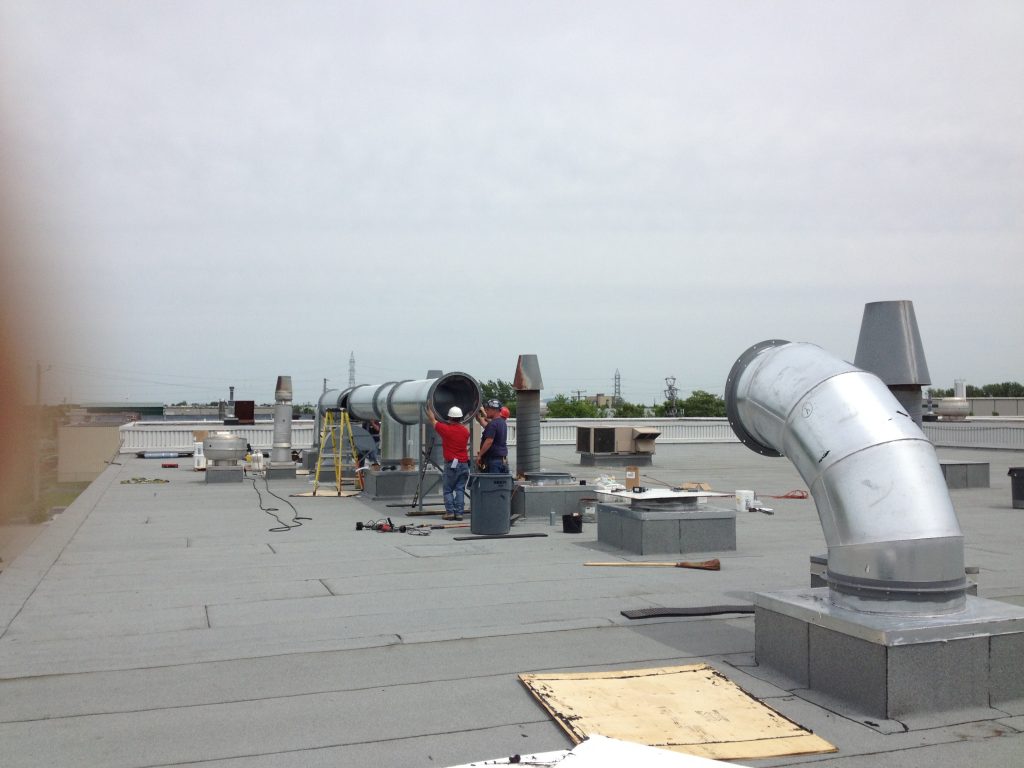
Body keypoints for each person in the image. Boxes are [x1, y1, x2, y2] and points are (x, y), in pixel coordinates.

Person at [425, 404, 471, 520]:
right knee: (460, 489)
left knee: (448, 489)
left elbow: (432, 419)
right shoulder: (465, 431)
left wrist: (429, 406)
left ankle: (450, 512)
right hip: (464, 464)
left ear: (449, 417)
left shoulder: (446, 429)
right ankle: (459, 513)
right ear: (460, 418)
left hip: (452, 464)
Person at [475, 399, 508, 473]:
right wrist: (479, 416)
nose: (486, 411)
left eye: (487, 409)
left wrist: (480, 455)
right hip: (500, 460)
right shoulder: (502, 423)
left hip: (493, 461)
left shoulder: (493, 424)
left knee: (491, 480)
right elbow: (484, 423)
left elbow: (489, 441)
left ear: (494, 410)